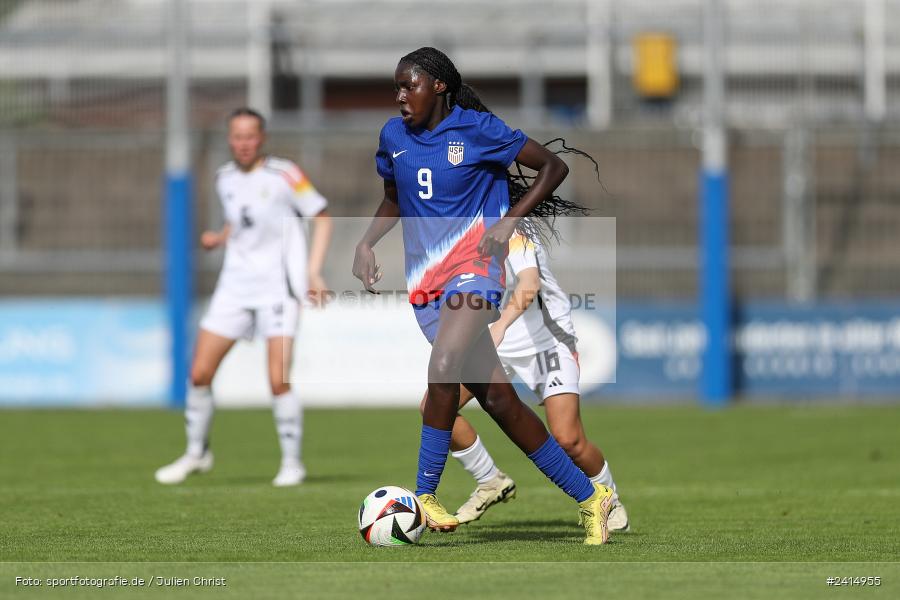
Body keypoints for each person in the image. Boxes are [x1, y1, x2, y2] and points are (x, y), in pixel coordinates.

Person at [352, 47, 614, 544]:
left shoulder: (477, 130)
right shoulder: (394, 136)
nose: (401, 97)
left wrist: (510, 220)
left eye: (411, 86)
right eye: (398, 88)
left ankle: (424, 494)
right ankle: (592, 497)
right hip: (425, 285)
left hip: (475, 271)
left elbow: (553, 168)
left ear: (440, 87)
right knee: (500, 402)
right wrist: (367, 241)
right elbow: (394, 196)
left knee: (445, 363)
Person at [155, 107, 333, 487]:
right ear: (229, 139)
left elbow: (321, 215)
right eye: (237, 136)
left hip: (278, 290)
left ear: (262, 138)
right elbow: (241, 219)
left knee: (277, 380)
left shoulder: (286, 174)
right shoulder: (224, 178)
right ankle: (196, 453)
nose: (243, 143)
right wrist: (219, 237)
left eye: (250, 136)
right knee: (199, 373)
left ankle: (291, 463)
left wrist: (313, 271)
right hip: (234, 288)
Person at [426, 232, 630, 532]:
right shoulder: (461, 226)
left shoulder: (514, 228)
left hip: (546, 341)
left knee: (568, 440)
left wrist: (501, 326)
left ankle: (609, 500)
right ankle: (490, 480)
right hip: (492, 343)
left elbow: (529, 283)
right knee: (433, 409)